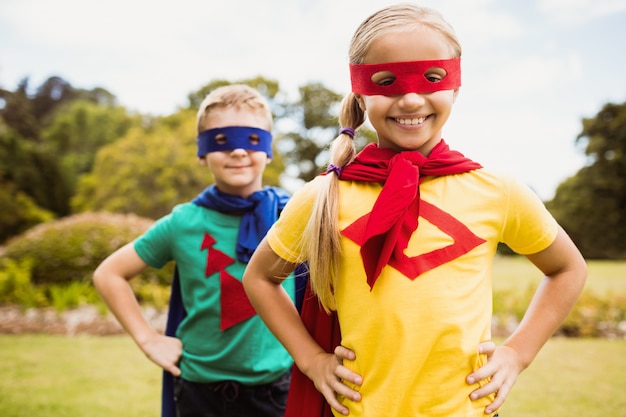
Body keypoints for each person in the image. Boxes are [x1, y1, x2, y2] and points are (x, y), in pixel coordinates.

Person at [242, 4, 587, 417]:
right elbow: (261, 277)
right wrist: (312, 361)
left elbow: (568, 268)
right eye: (386, 82)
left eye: (431, 78)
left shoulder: (497, 190)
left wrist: (517, 353)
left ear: (455, 87)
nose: (409, 98)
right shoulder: (324, 195)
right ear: (360, 93)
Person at [93, 84, 296, 417]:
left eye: (252, 139)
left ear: (269, 150)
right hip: (199, 392)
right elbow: (109, 273)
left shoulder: (292, 216)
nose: (238, 152)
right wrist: (148, 340)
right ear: (201, 153)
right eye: (222, 140)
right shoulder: (183, 222)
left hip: (276, 391)